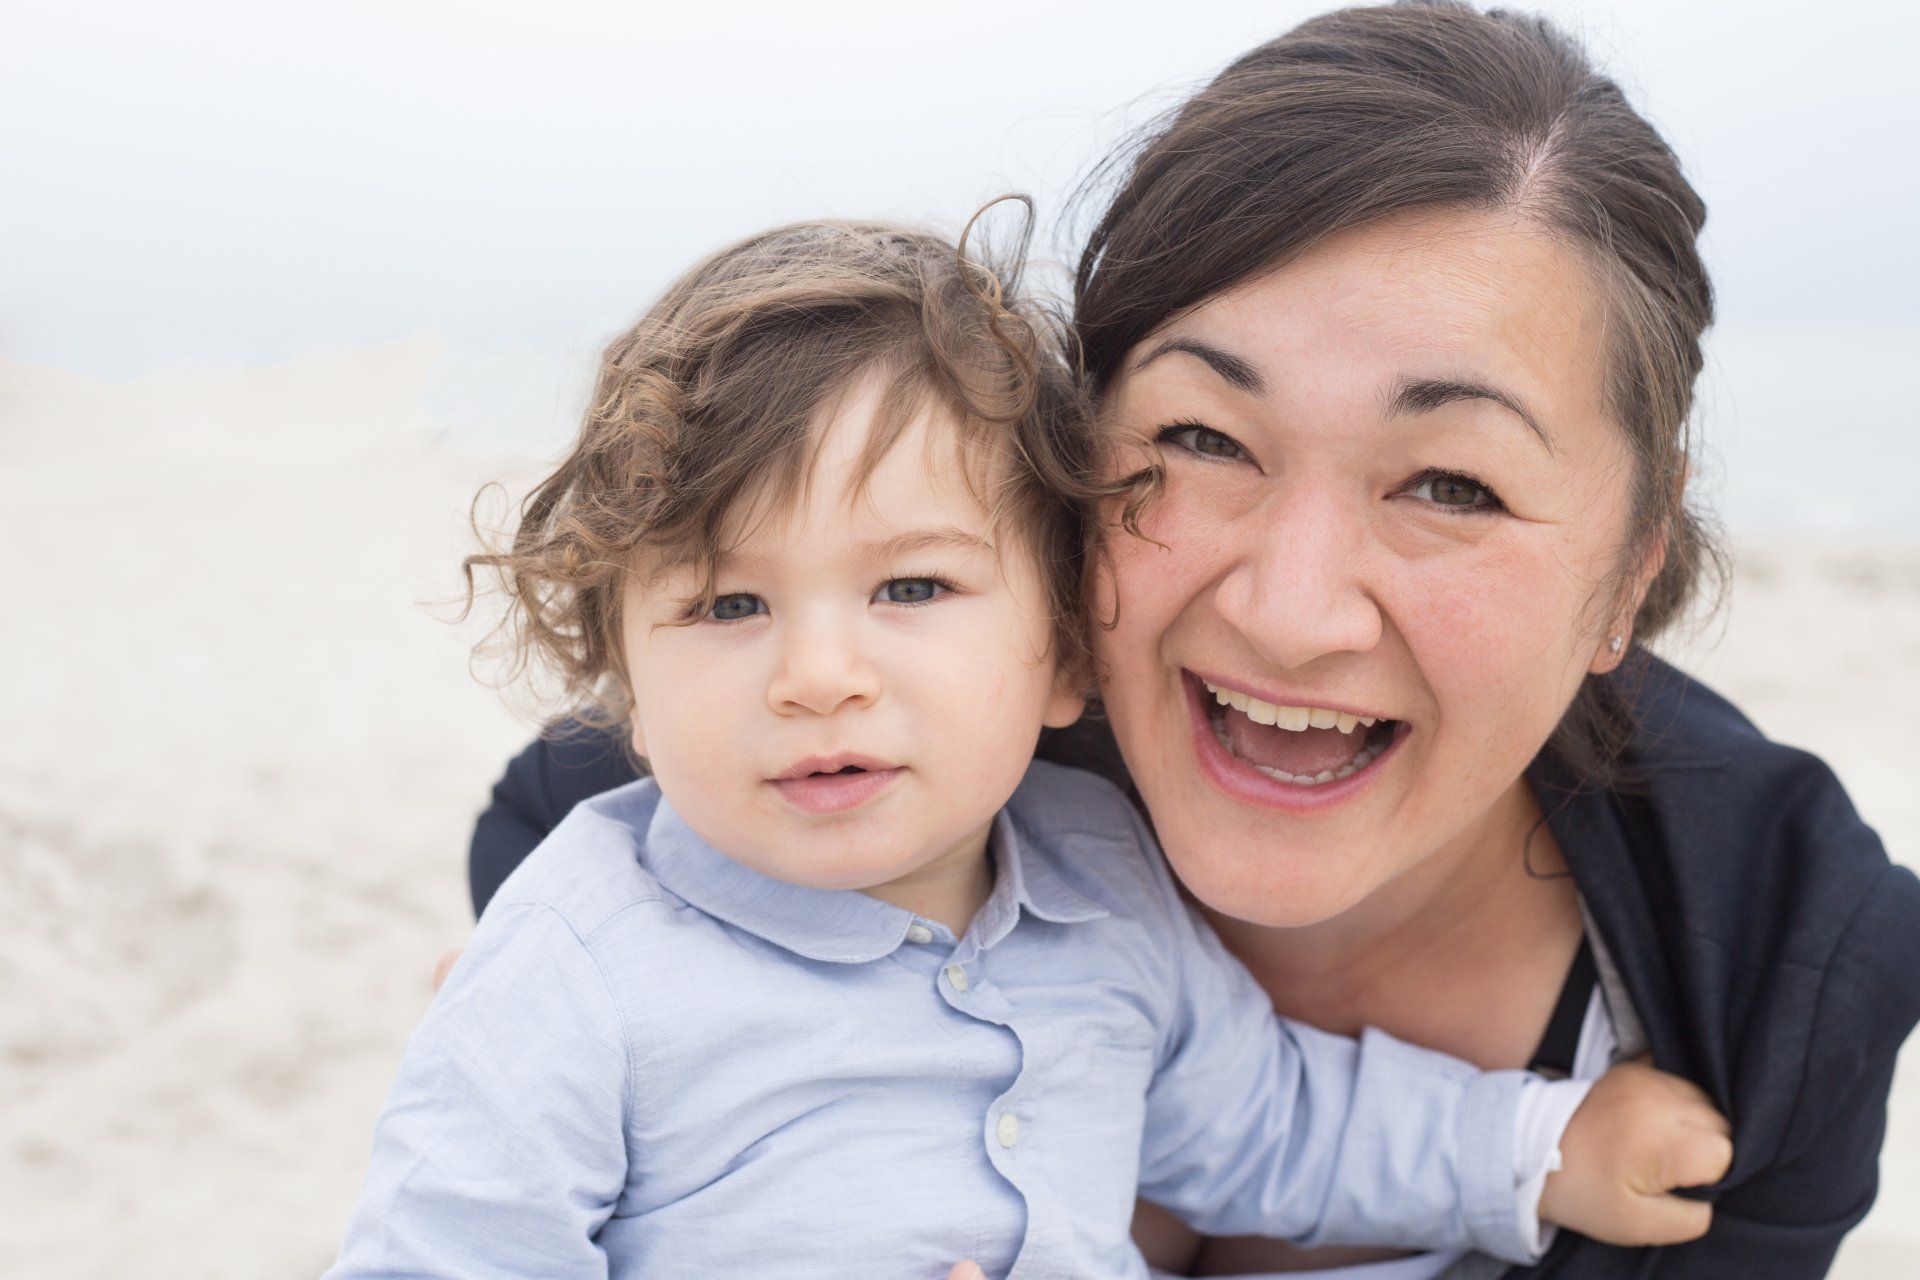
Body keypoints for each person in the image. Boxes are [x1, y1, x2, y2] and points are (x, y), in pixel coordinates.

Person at [462, 4, 1920, 1279]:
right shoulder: (670, 844)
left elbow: (1287, 1123)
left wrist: (1544, 1149)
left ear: (1633, 564)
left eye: (1454, 484)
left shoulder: (1782, 980)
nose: (1289, 611)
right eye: (1206, 437)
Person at [328, 217, 1731, 1280]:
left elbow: (1273, 1125)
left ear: (1067, 648)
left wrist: (1539, 1152)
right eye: (729, 605)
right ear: (626, 682)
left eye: (913, 589)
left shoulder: (1100, 883)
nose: (819, 676)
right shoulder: (579, 956)